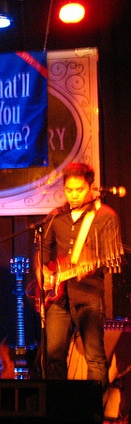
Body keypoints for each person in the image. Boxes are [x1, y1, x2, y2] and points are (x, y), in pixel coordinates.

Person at [36, 162, 124, 389]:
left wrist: (92, 266)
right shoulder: (56, 216)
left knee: (94, 357)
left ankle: (93, 415)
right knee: (53, 355)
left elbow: (110, 258)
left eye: (79, 190)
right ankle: (58, 411)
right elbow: (42, 254)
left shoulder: (105, 217)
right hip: (57, 297)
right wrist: (44, 274)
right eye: (69, 190)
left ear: (91, 187)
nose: (74, 195)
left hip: (89, 296)